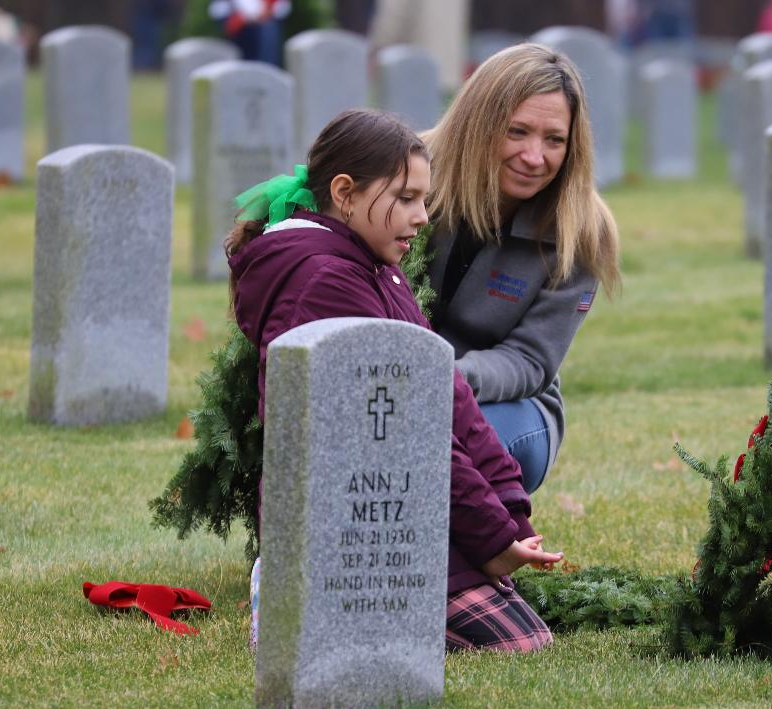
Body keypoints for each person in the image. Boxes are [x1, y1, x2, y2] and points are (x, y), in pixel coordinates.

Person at [228, 109, 562, 652]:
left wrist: (509, 511)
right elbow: (409, 431)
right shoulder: (327, 281)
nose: (423, 216)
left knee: (525, 631)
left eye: (423, 200)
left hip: (397, 503)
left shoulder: (376, 267)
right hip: (352, 523)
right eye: (406, 198)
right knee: (519, 643)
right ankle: (293, 586)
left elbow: (447, 396)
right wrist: (490, 537)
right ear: (345, 193)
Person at [422, 43, 622, 494]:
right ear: (479, 124)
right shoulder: (409, 177)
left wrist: (445, 380)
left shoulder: (581, 231)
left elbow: (531, 360)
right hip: (394, 381)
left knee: (452, 444)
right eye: (517, 132)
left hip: (509, 400)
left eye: (554, 140)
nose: (535, 157)